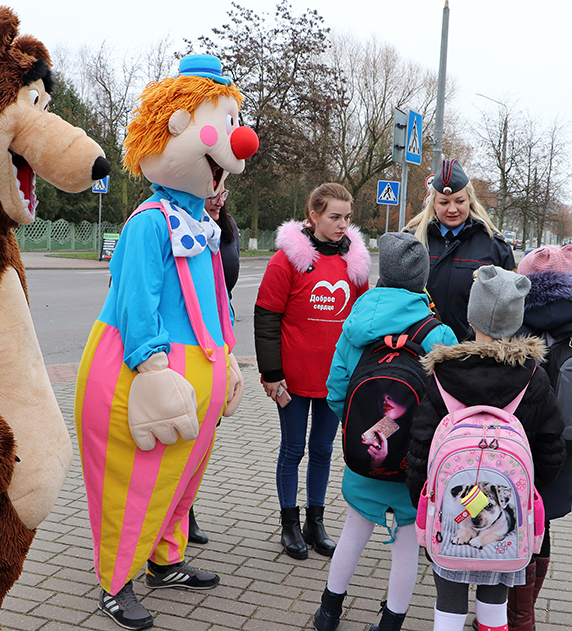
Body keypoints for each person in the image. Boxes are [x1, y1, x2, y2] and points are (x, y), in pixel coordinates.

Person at [75, 55, 253, 630]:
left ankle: (165, 560)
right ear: (174, 128)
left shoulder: (201, 224)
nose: (240, 142)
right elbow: (136, 302)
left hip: (197, 376)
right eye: (223, 125)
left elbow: (216, 301)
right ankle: (115, 583)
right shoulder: (150, 221)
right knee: (134, 485)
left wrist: (228, 358)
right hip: (145, 375)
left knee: (180, 481)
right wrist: (151, 368)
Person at [406, 266, 565, 631]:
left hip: (452, 518)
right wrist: (524, 492)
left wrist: (426, 501)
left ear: (471, 315)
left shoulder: (442, 373)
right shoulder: (533, 376)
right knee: (495, 607)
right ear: (517, 319)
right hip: (505, 522)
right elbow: (552, 449)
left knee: (448, 604)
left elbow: (420, 447)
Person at [313, 233, 457, 631]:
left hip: (364, 458)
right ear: (422, 279)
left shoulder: (356, 324)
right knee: (405, 548)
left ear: (383, 274)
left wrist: (358, 425)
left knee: (352, 535)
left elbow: (336, 391)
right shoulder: (438, 334)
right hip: (412, 466)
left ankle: (328, 612)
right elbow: (448, 404)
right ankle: (391, 623)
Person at [254, 183, 371, 560]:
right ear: (314, 215)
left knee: (322, 449)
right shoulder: (287, 259)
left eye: (347, 217)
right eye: (334, 216)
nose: (342, 224)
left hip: (334, 377)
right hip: (292, 376)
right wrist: (271, 373)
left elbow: (363, 321)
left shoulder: (354, 262)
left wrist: (358, 371)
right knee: (293, 448)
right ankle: (289, 523)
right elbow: (266, 317)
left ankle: (315, 522)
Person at [512, 244, 572, 627]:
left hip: (516, 446)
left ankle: (506, 611)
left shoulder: (515, 326)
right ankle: (524, 614)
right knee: (541, 523)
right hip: (563, 446)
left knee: (511, 522)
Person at [405, 158, 516, 342]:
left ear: (469, 200)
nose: (452, 209)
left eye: (459, 201)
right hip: (420, 349)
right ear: (433, 203)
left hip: (472, 353)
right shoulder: (412, 241)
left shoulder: (496, 247)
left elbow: (510, 309)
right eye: (444, 202)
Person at [187, 188, 242, 546]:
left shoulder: (226, 227)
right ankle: (165, 517)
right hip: (184, 346)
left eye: (223, 191)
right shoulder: (173, 224)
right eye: (212, 192)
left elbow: (225, 290)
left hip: (217, 341)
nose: (219, 198)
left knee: (204, 436)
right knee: (181, 434)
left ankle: (184, 510)